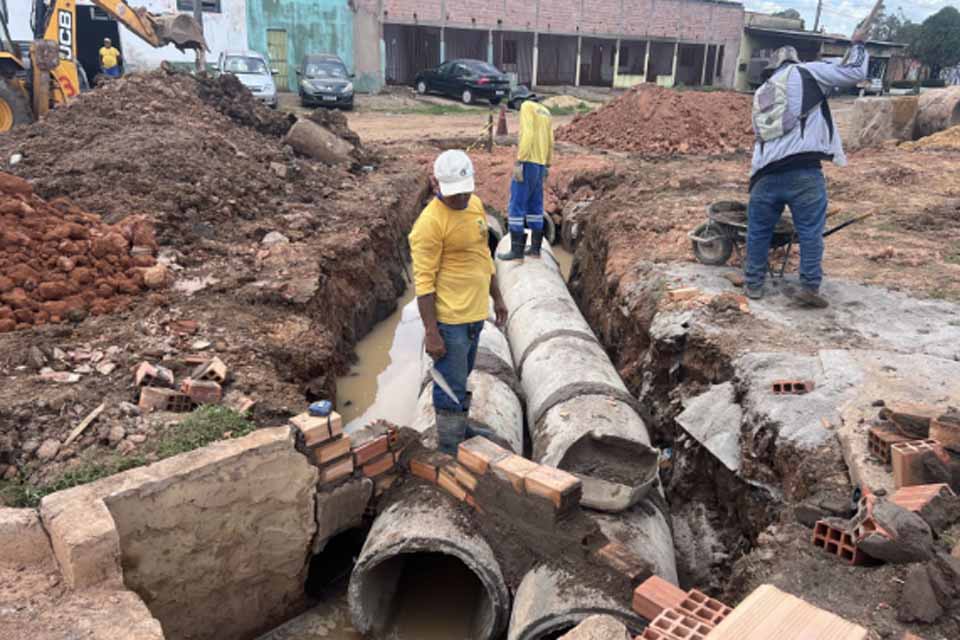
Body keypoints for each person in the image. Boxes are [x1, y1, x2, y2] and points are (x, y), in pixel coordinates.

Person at [745, 14, 877, 308]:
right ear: (794, 61)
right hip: (803, 171)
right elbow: (854, 72)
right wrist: (857, 44)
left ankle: (753, 283)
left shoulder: (761, 92)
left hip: (763, 175)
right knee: (809, 232)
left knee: (758, 230)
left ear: (772, 67)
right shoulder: (808, 73)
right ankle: (809, 287)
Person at [410, 150, 509, 455]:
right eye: (455, 194)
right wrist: (431, 331)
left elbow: (483, 256)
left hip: (475, 315)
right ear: (436, 185)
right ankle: (449, 448)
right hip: (449, 321)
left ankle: (460, 428)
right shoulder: (429, 225)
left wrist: (498, 297)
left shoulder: (475, 205)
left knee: (461, 376)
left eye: (466, 191)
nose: (461, 199)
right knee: (449, 386)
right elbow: (424, 284)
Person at [497, 99, 554, 261]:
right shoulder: (545, 111)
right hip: (541, 163)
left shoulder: (526, 107)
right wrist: (548, 162)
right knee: (535, 205)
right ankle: (535, 249)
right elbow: (551, 139)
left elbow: (527, 134)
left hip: (528, 162)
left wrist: (520, 159)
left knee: (516, 204)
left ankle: (516, 251)